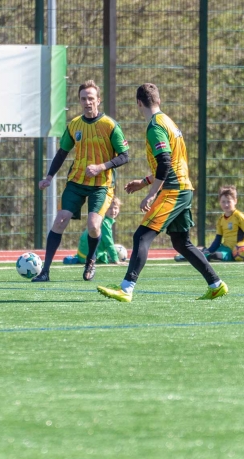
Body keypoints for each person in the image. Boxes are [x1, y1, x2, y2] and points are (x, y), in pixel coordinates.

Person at [97, 83, 228, 303]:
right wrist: (145, 181)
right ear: (158, 100)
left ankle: (126, 288)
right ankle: (216, 284)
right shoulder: (168, 121)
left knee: (142, 236)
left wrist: (151, 193)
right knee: (180, 242)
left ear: (139, 103)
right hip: (183, 187)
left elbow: (165, 162)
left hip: (173, 190)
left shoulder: (155, 126)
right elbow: (172, 162)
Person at [32, 80, 129, 283]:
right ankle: (45, 271)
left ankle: (90, 261)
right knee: (59, 221)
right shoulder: (74, 125)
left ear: (98, 100)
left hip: (101, 185)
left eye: (91, 98)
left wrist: (101, 167)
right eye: (83, 99)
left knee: (94, 226)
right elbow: (62, 152)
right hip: (76, 182)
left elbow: (124, 156)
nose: (87, 102)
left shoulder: (110, 126)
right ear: (80, 101)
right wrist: (49, 177)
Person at [175, 185, 244, 261]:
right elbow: (217, 241)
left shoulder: (239, 216)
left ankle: (197, 257)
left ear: (235, 201)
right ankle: (193, 256)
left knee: (215, 256)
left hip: (239, 250)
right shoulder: (221, 220)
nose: (226, 204)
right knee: (210, 253)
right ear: (219, 202)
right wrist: (208, 251)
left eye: (228, 201)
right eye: (223, 202)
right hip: (225, 249)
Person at [63, 196, 122, 265]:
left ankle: (76, 259)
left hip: (82, 255)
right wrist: (116, 260)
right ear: (104, 209)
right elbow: (109, 243)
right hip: (90, 257)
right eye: (109, 208)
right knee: (107, 259)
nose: (113, 211)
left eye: (115, 208)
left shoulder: (100, 219)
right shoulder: (105, 222)